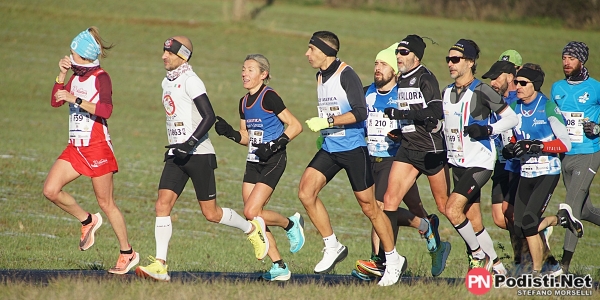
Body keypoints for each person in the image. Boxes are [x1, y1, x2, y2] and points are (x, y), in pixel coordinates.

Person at [135, 36, 267, 281]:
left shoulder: (191, 81)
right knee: (162, 205)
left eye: (170, 53)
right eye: (163, 51)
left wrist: (190, 143)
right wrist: (178, 146)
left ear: (183, 56)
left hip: (199, 154)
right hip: (177, 154)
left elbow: (209, 116)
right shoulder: (166, 82)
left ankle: (251, 229)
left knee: (211, 214)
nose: (164, 56)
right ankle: (160, 265)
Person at [299, 30, 405, 287]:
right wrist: (325, 130)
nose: (307, 54)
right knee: (305, 192)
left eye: (311, 49)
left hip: (353, 149)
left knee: (370, 208)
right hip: (330, 146)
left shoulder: (346, 74)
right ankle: (332, 245)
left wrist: (328, 121)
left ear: (324, 50)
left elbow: (360, 113)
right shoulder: (319, 75)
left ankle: (392, 259)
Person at [44, 27, 138, 274]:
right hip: (75, 147)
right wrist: (61, 75)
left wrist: (75, 99)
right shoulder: (74, 76)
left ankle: (127, 253)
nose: (70, 56)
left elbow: (106, 110)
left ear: (84, 56)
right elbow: (56, 101)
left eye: (73, 53)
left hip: (97, 148)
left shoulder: (101, 77)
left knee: (106, 203)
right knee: (50, 190)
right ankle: (88, 220)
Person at [353, 42, 450, 280]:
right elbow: (359, 119)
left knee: (380, 207)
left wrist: (401, 125)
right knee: (413, 206)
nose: (378, 68)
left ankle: (380, 260)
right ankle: (429, 230)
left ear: (394, 71)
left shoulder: (404, 90)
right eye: (376, 63)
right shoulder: (367, 92)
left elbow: (429, 115)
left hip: (397, 156)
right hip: (374, 159)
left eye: (383, 64)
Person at [213, 54, 305, 281]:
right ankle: (279, 266)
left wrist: (274, 145)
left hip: (273, 160)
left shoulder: (269, 96)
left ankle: (291, 224)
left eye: (250, 69)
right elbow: (246, 136)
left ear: (263, 74)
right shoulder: (243, 102)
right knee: (256, 218)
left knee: (251, 212)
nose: (244, 73)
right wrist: (231, 134)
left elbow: (295, 126)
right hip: (253, 161)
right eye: (243, 69)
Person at [441, 39, 518, 275]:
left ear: (471, 62)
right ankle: (499, 269)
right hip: (457, 163)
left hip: (479, 163)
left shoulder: (481, 90)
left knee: (452, 209)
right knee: (473, 222)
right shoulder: (447, 92)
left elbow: (512, 119)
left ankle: (478, 255)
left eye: (456, 59)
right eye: (449, 59)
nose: (451, 64)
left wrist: (487, 130)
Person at [502, 64, 580, 276]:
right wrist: (510, 148)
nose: (517, 86)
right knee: (518, 226)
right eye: (516, 82)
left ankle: (536, 273)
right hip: (525, 173)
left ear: (534, 85)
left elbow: (565, 144)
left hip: (547, 172)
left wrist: (539, 146)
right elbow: (511, 138)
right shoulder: (515, 107)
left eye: (522, 83)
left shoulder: (547, 107)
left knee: (528, 223)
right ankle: (561, 219)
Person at [551, 41, 600, 274]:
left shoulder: (596, 88)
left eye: (571, 58)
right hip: (565, 155)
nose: (566, 62)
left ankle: (564, 266)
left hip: (589, 153)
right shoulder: (557, 88)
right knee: (585, 210)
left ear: (582, 60)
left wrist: (598, 128)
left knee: (570, 207)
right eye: (564, 58)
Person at [481, 57, 523, 266]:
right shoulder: (493, 99)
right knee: (499, 218)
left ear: (509, 77)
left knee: (513, 214)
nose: (492, 83)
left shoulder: (520, 98)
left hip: (518, 165)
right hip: (500, 163)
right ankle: (535, 231)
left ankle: (522, 261)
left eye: (496, 79)